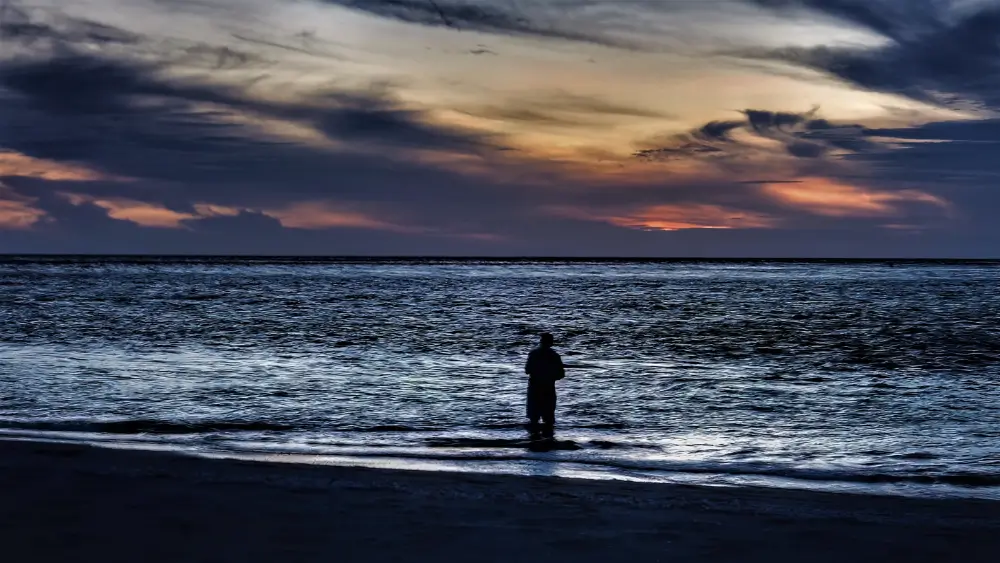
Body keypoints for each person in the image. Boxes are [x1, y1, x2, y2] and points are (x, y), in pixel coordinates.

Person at [524, 332, 565, 437]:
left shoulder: (533, 354)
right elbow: (561, 375)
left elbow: (527, 370)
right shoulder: (555, 356)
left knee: (534, 417)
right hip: (548, 388)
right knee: (549, 417)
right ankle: (548, 440)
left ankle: (533, 440)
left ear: (541, 341)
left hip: (534, 387)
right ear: (551, 343)